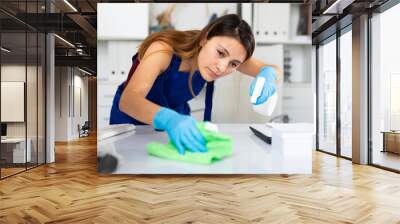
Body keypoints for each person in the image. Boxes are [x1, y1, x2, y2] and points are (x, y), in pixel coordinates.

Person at [110, 14, 280, 155]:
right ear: (204, 40)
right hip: (130, 122)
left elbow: (274, 69)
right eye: (220, 53)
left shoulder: (229, 57)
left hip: (174, 123)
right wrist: (169, 119)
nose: (222, 67)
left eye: (233, 64)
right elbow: (129, 101)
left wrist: (268, 75)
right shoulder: (163, 50)